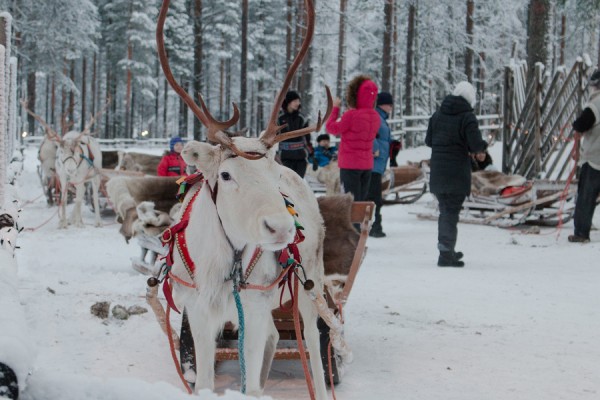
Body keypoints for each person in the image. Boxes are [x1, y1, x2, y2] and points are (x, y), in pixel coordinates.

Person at [425, 81, 488, 267]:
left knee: (445, 210)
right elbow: (475, 144)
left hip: (438, 171)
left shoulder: (437, 115)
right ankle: (445, 254)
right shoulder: (467, 117)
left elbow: (429, 140)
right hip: (456, 173)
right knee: (450, 213)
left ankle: (447, 249)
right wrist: (482, 148)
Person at [325, 75, 380, 201]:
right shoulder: (375, 117)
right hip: (367, 165)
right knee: (360, 202)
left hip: (350, 165)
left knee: (350, 203)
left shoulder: (351, 115)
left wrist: (335, 108)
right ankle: (360, 221)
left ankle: (352, 222)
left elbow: (331, 128)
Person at [568, 70, 600, 243]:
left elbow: (581, 123)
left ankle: (581, 233)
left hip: (595, 159)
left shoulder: (595, 104)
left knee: (586, 198)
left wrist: (578, 129)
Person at [366, 91, 394, 238]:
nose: (391, 106)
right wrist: (375, 148)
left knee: (374, 195)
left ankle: (373, 225)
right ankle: (375, 226)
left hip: (378, 163)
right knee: (374, 196)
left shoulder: (382, 118)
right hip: (373, 163)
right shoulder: (376, 116)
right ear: (382, 104)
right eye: (389, 104)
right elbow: (369, 133)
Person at [277, 90, 312, 178]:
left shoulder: (302, 118)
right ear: (288, 102)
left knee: (298, 185)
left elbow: (307, 138)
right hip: (285, 158)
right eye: (295, 101)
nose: (298, 103)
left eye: (298, 101)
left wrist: (312, 154)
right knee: (286, 185)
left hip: (300, 158)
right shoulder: (279, 119)